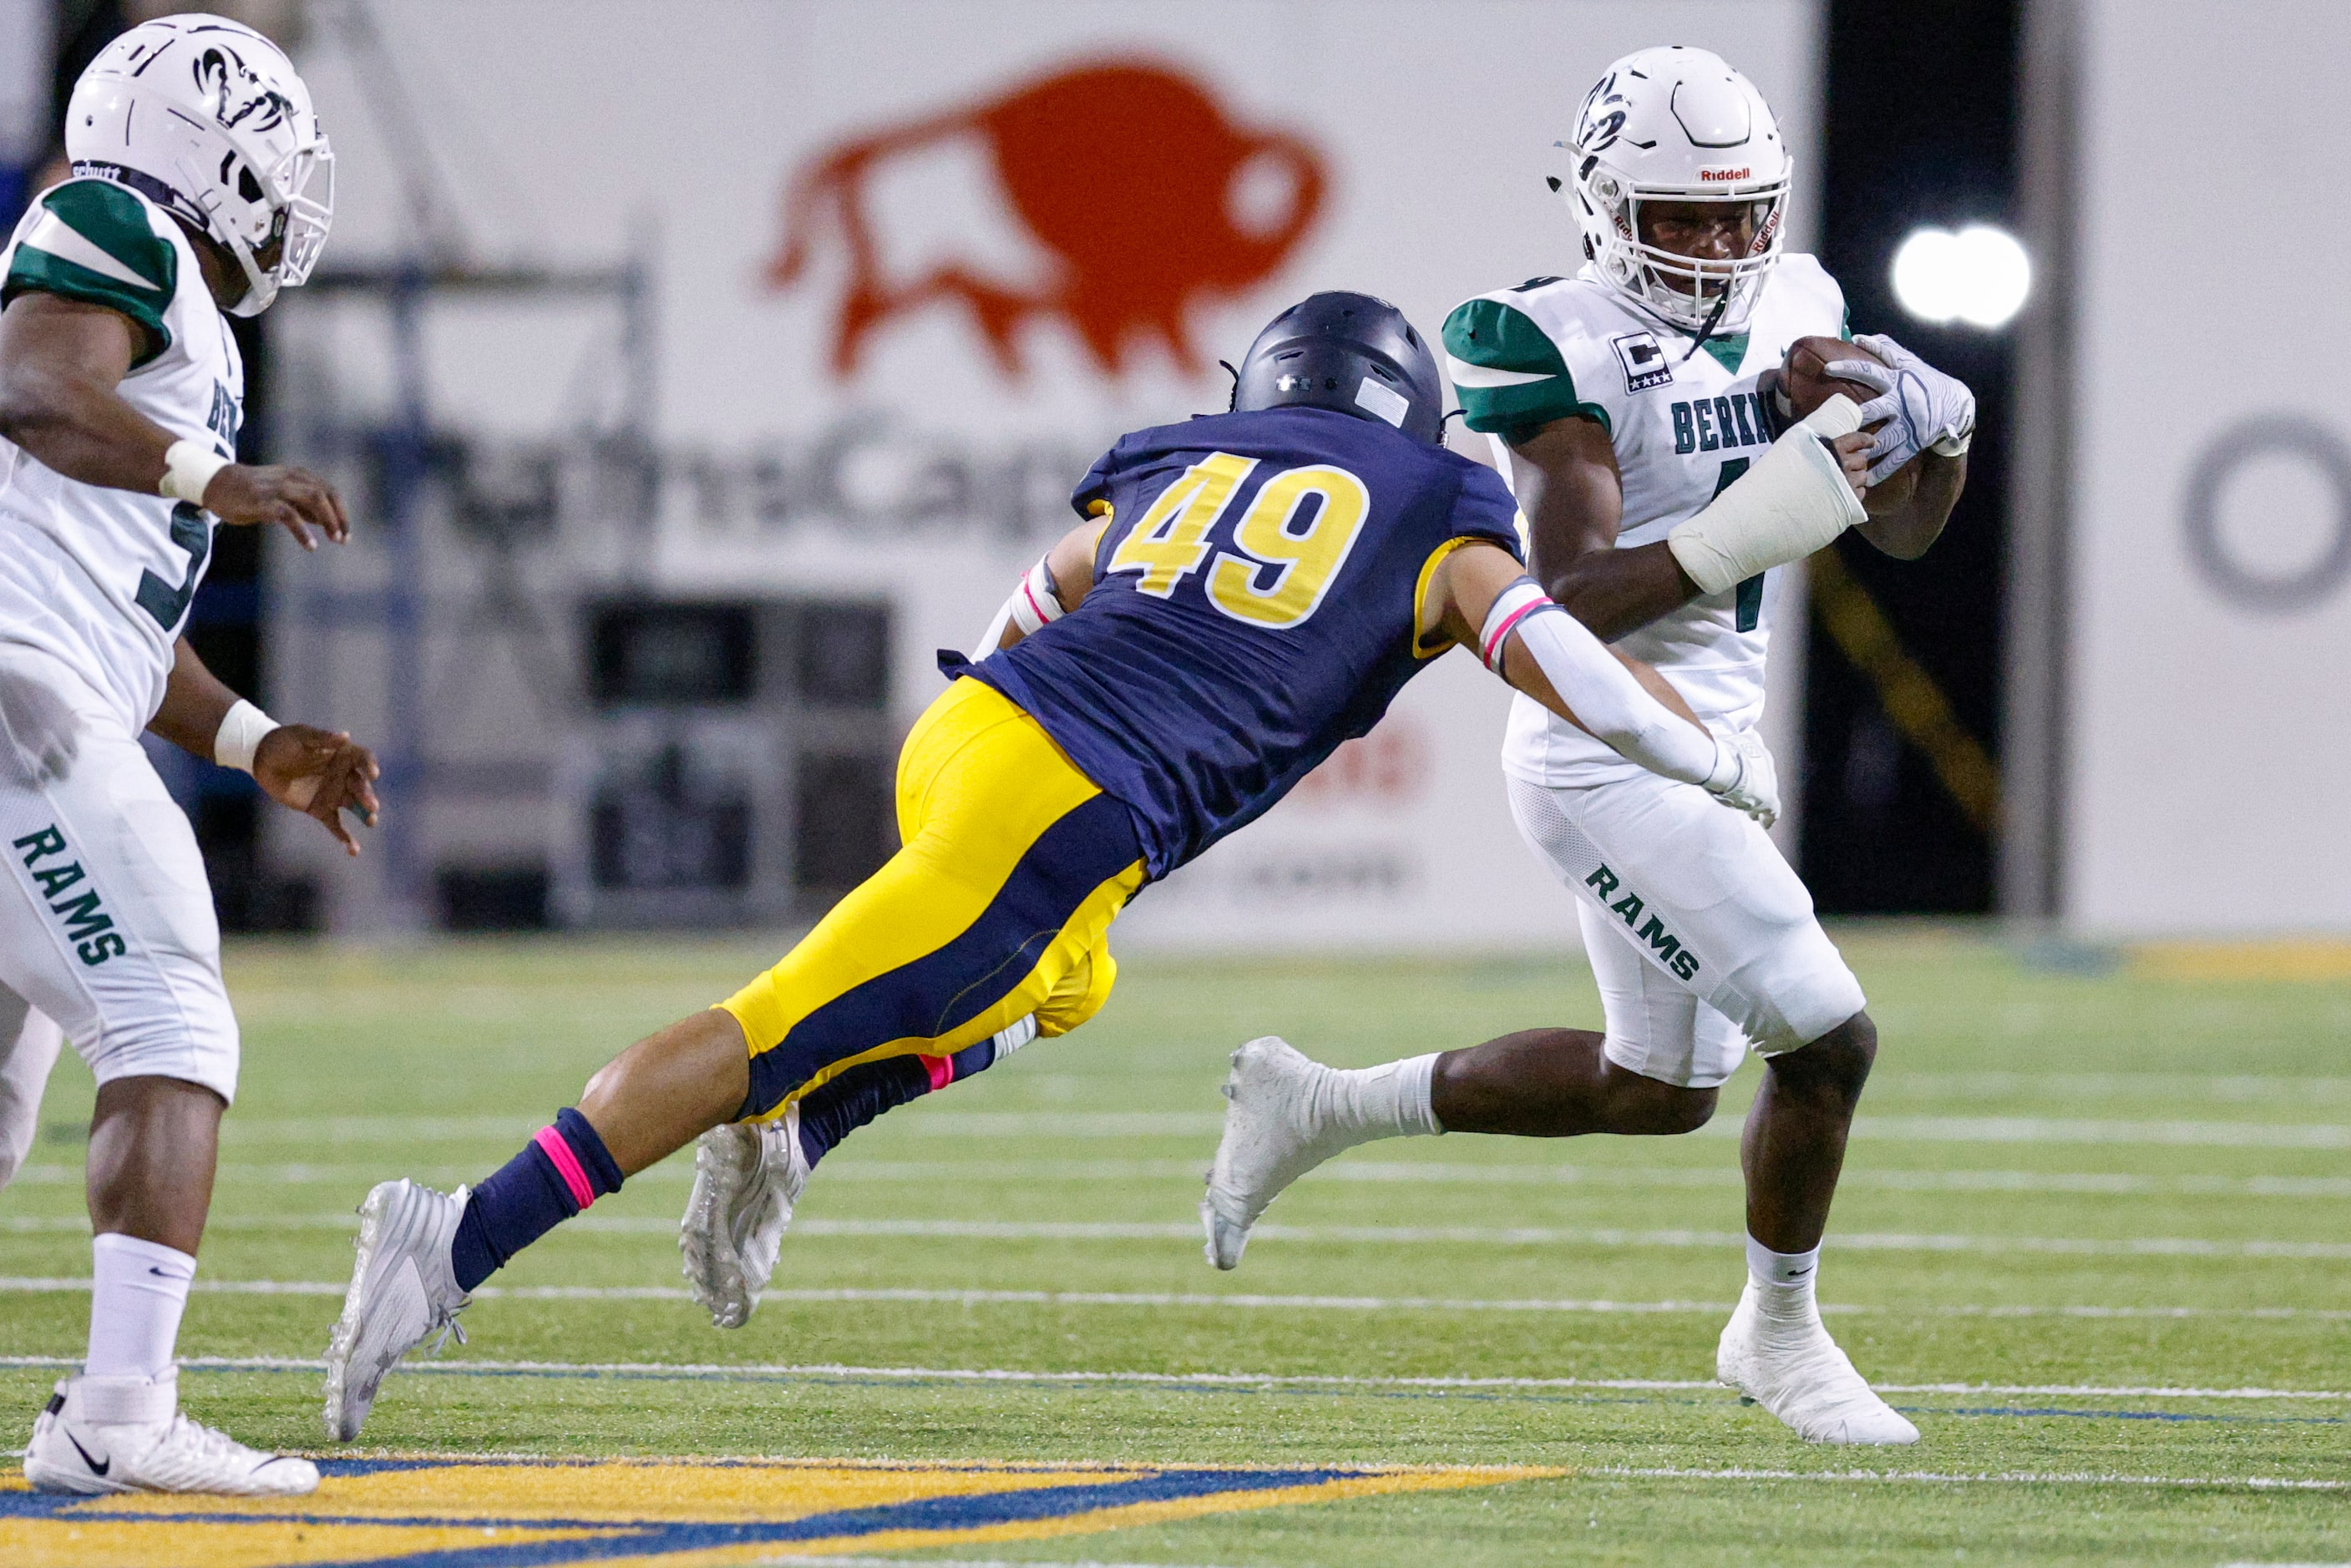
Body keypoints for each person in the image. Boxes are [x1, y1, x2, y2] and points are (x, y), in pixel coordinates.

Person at [322, 289, 1870, 1440]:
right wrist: (1721, 757)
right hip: (1065, 801)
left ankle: (799, 1131)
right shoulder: (1439, 507)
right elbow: (1561, 657)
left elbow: (1047, 584)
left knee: (1072, 979)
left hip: (986, 738)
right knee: (762, 1032)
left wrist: (989, 723)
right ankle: (455, 1234)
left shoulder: (1184, 456)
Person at [1199, 47, 1978, 1447]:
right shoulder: (1547, 336)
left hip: (1719, 742)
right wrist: (1765, 513)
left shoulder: (1799, 300)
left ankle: (1317, 1103)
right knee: (1830, 1036)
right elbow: (1559, 599)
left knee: (1661, 1089)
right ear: (1610, 208)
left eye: (1745, 215)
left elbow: (1900, 525)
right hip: (1599, 743)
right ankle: (1779, 1331)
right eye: (1685, 218)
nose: (1724, 247)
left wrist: (1944, 436)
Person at [0, 16, 375, 1495]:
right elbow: (29, 384)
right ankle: (118, 1414)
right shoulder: (110, 217)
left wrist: (253, 736)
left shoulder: (191, 332)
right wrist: (209, 472)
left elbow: (122, 618)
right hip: (19, 698)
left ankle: (116, 1408)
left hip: (48, 678)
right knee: (169, 1011)